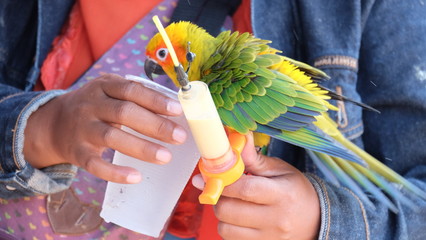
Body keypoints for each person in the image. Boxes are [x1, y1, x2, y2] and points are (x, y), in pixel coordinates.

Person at [1, 1, 426, 240]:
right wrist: (39, 127)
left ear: (187, 55)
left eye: (163, 58)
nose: (158, 67)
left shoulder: (219, 79)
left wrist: (322, 221)